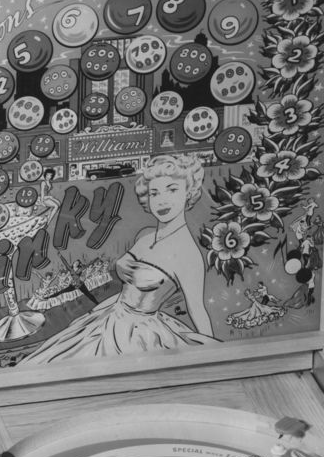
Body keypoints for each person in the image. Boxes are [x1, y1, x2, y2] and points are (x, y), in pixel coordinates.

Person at [21, 154, 215, 362]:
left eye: (172, 189)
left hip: (139, 335)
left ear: (189, 192)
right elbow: (122, 266)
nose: (162, 200)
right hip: (110, 316)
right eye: (154, 193)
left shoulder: (189, 254)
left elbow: (198, 310)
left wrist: (214, 357)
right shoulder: (145, 236)